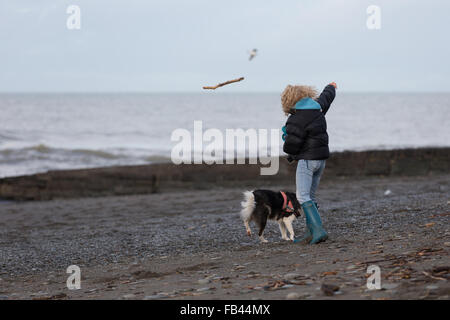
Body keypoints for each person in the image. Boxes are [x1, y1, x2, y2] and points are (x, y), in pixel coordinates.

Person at [281, 82, 337, 244]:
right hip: (321, 160)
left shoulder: (295, 119)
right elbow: (326, 98)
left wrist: (285, 137)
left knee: (302, 196)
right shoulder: (318, 108)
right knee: (310, 196)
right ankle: (311, 232)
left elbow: (291, 146)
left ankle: (318, 231)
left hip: (307, 161)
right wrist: (331, 87)